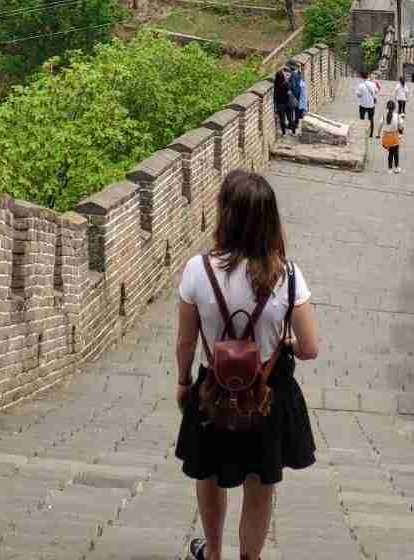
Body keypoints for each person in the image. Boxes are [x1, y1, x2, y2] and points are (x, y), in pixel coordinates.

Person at [176, 170, 320, 560]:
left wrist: (183, 382)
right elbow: (310, 348)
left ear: (226, 215)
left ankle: (214, 552)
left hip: (211, 393)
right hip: (267, 395)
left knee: (208, 473)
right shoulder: (287, 275)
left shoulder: (197, 270)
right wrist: (282, 339)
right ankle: (249, 557)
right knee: (260, 484)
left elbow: (185, 341)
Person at [378, 100, 403, 171]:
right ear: (395, 107)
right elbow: (401, 127)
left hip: (386, 137)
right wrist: (401, 131)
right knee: (396, 152)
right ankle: (397, 167)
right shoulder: (397, 116)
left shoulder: (383, 115)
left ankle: (389, 169)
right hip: (394, 137)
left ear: (387, 107)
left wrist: (378, 134)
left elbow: (380, 125)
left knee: (391, 152)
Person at [273, 69, 292, 138]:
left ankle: (283, 132)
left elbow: (274, 94)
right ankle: (290, 127)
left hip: (279, 103)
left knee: (282, 118)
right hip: (287, 102)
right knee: (289, 116)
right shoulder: (286, 84)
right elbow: (289, 93)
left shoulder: (275, 84)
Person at [287, 63, 306, 133]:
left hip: (294, 95)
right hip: (299, 95)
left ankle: (291, 125)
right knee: (297, 110)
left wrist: (291, 93)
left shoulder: (292, 75)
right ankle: (296, 123)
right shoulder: (299, 74)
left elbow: (293, 86)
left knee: (291, 110)